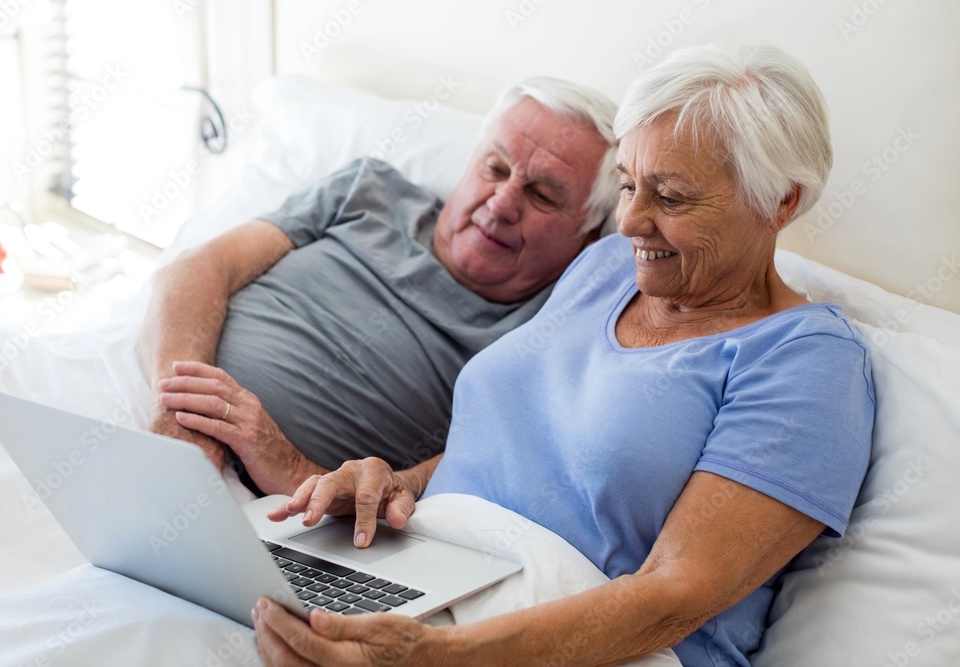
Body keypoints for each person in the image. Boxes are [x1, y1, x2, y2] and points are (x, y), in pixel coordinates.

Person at [250, 43, 875, 667]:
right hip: (433, 580)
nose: (631, 221)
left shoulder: (807, 361)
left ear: (780, 202)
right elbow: (511, 445)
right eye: (629, 186)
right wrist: (394, 484)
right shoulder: (606, 267)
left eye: (673, 198)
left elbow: (677, 596)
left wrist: (437, 657)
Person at [139, 77, 619, 495]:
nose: (502, 203)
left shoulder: (552, 330)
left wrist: (289, 469)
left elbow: (480, 466)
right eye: (494, 169)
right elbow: (199, 268)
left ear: (589, 236)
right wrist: (181, 409)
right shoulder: (368, 189)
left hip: (285, 511)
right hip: (158, 413)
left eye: (542, 195)